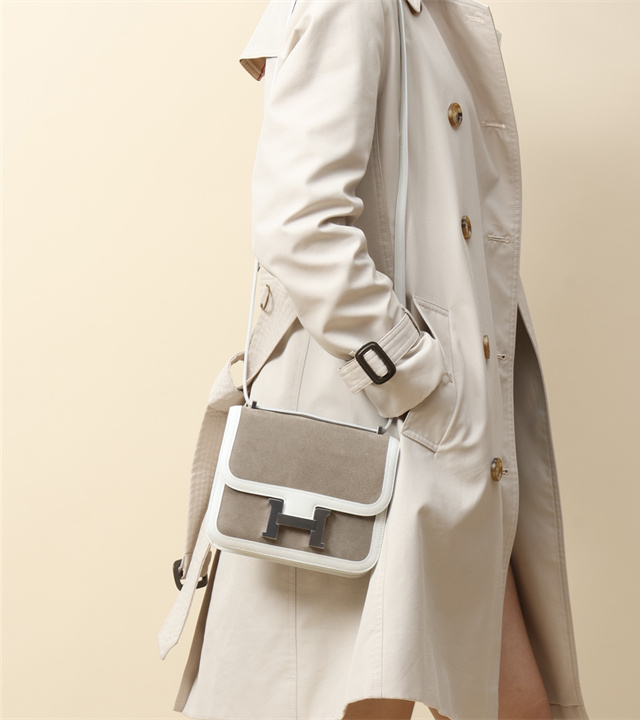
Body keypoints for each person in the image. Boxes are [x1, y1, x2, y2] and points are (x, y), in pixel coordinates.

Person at [160, 1, 589, 718]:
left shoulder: (429, 14)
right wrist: (413, 373)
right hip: (369, 435)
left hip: (440, 440)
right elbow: (298, 223)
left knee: (505, 700)